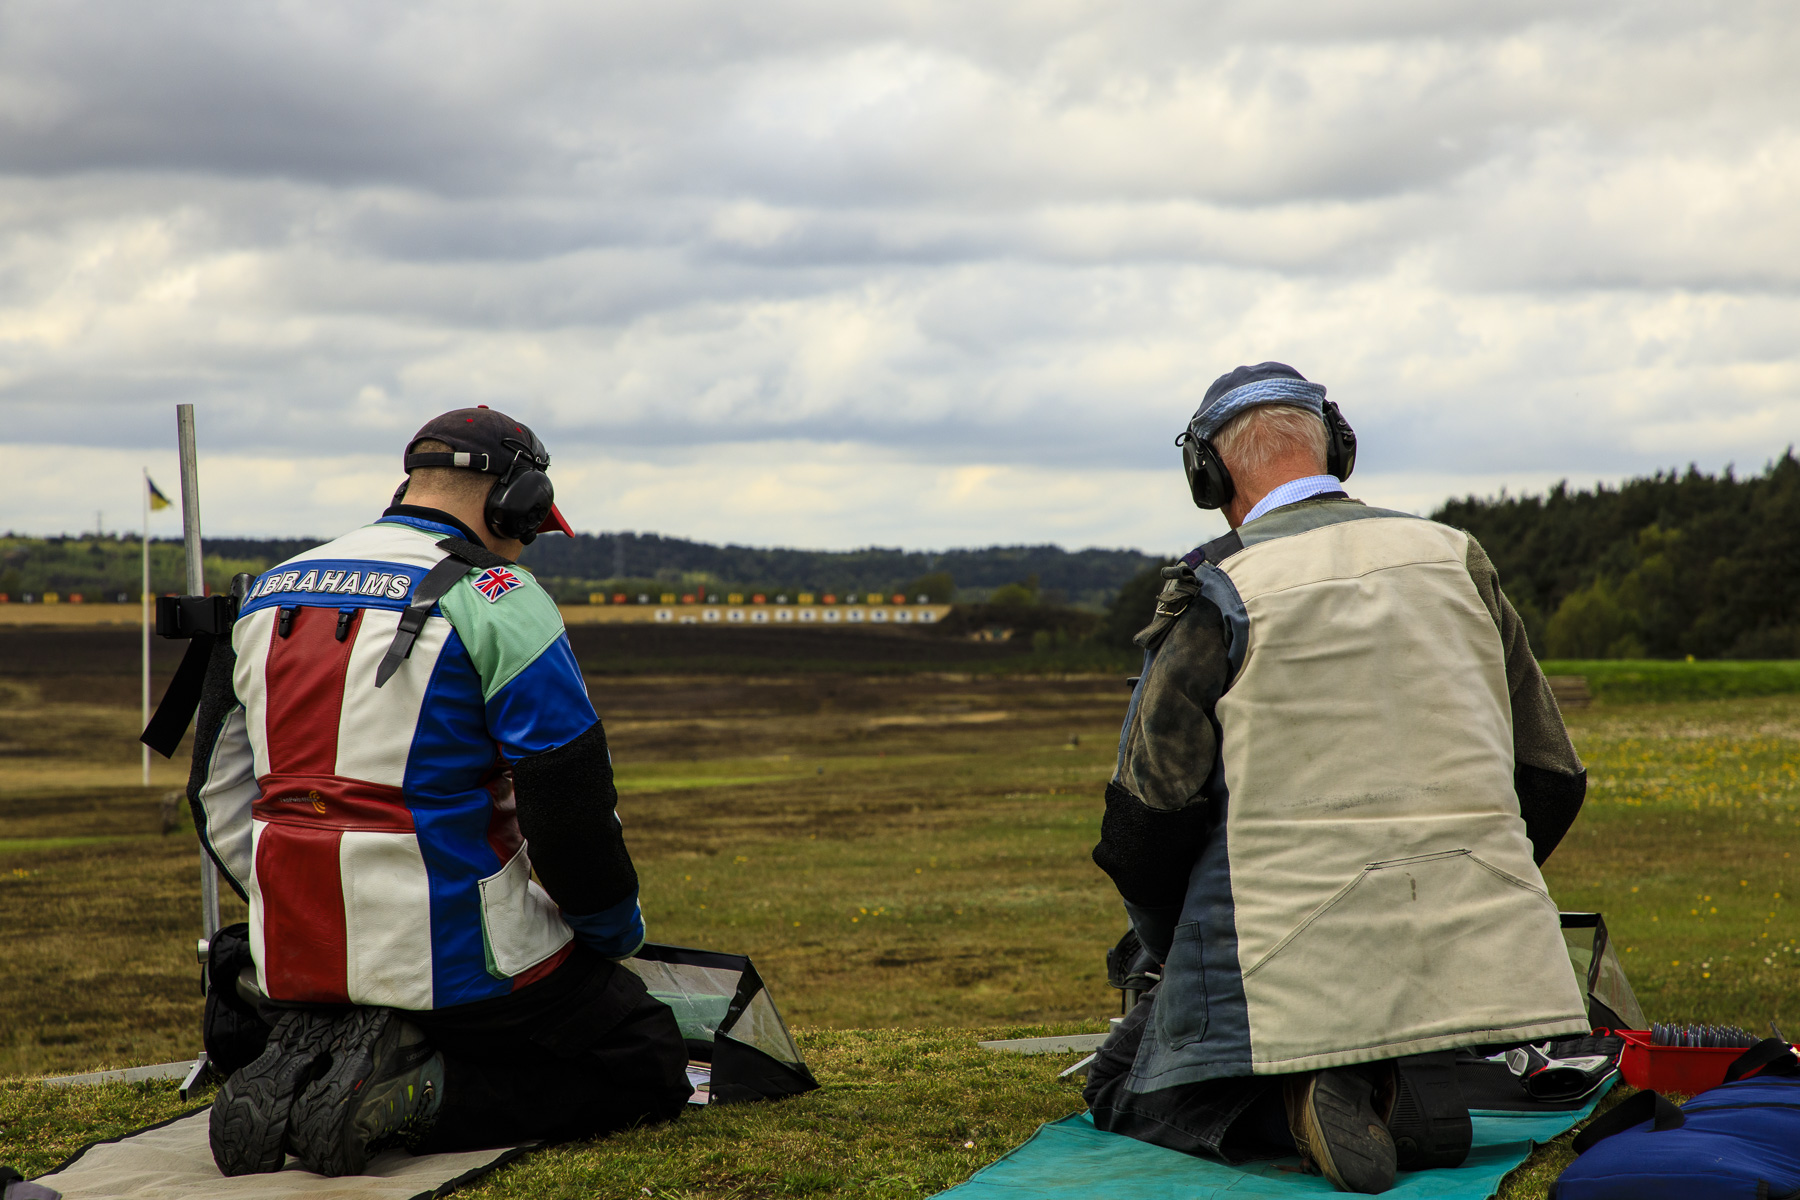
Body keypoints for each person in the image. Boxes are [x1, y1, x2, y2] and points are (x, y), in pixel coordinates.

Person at [1082, 363, 1591, 1194]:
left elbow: (1146, 827)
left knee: (1117, 1085)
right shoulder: (1458, 560)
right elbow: (1551, 779)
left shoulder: (1216, 589)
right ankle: (1402, 1092)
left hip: (1276, 963)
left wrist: (1181, 960)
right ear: (1338, 448)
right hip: (1464, 958)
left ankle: (1293, 1102)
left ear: (1207, 475)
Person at [189, 407, 692, 1177]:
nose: (526, 547)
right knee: (645, 1055)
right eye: (530, 527)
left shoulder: (266, 592)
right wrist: (610, 933)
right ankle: (414, 1098)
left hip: (294, 957)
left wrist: (279, 902)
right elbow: (571, 815)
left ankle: (325, 1050)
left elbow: (215, 794)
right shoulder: (501, 595)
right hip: (461, 967)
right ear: (515, 501)